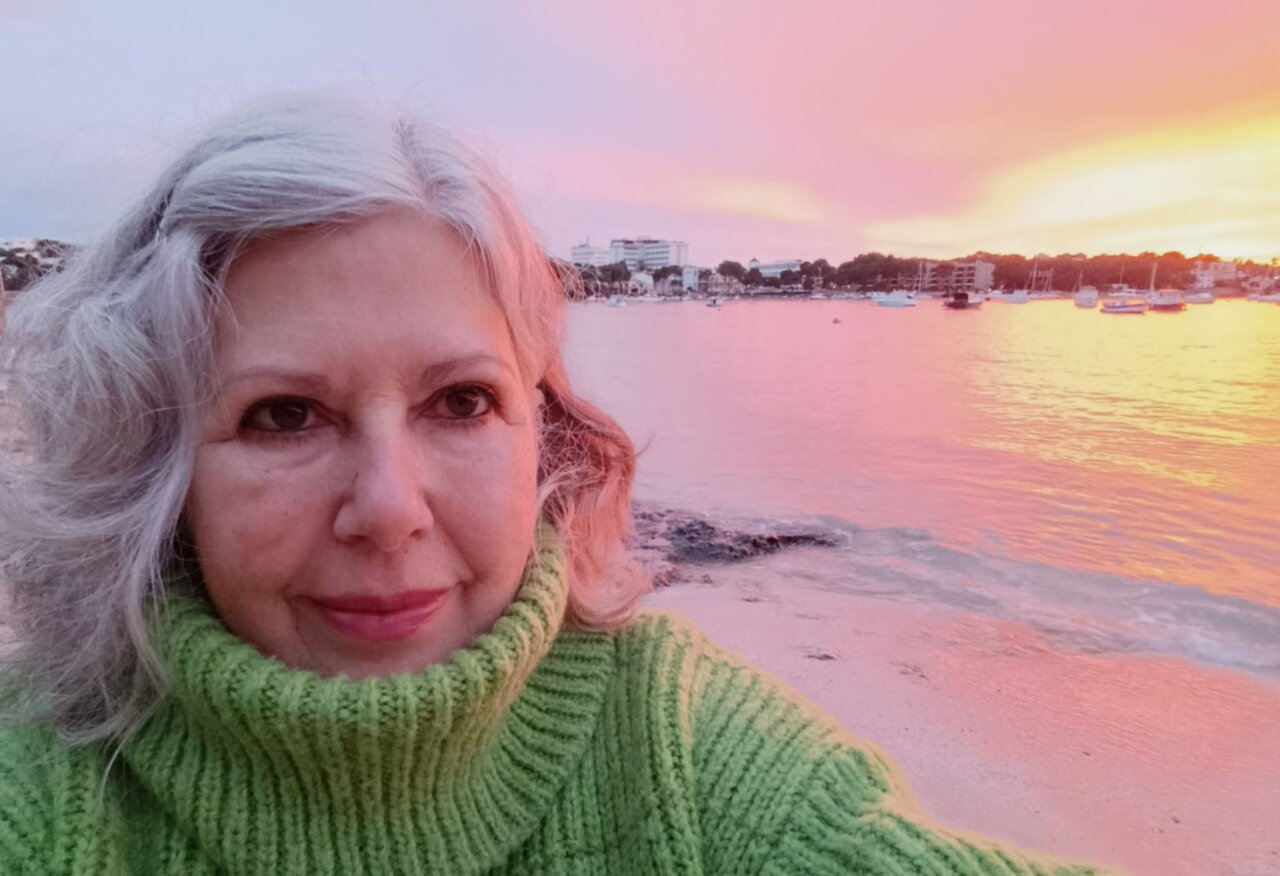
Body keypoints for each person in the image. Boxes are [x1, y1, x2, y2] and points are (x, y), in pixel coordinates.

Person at [0, 93, 1108, 874]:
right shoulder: (41, 789)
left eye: (461, 402)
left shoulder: (679, 751)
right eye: (282, 415)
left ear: (547, 429)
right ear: (157, 466)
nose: (388, 509)